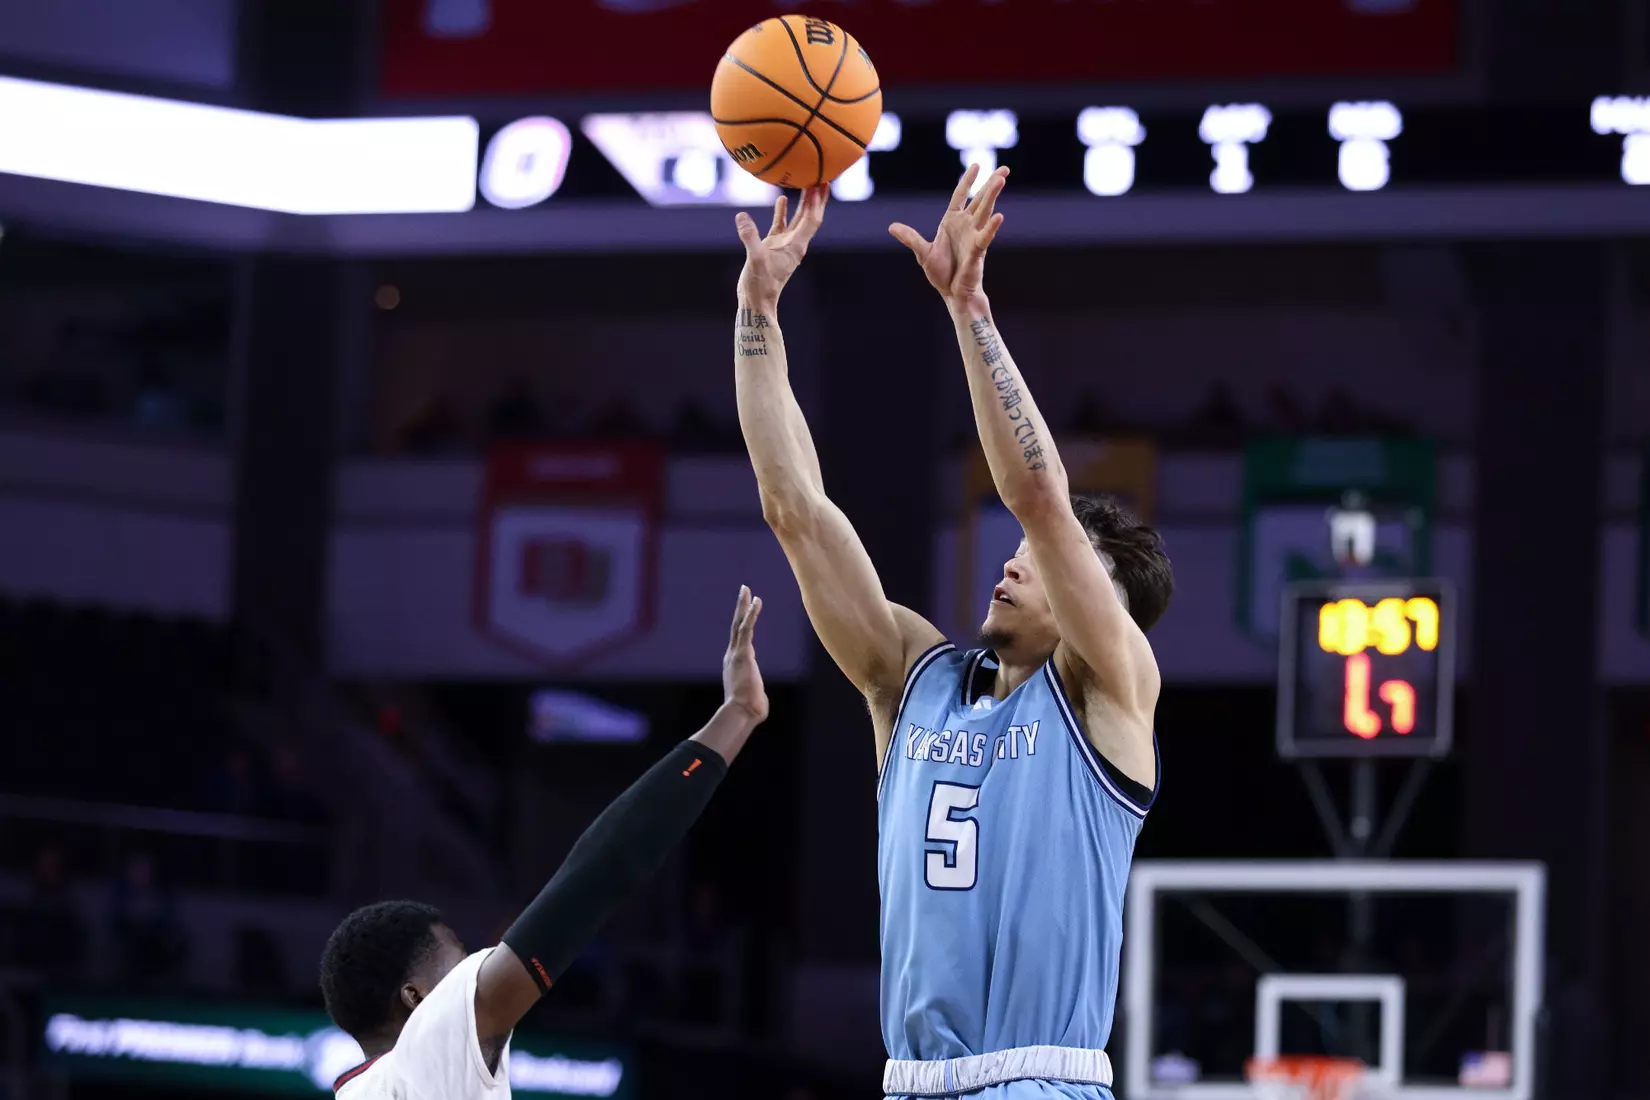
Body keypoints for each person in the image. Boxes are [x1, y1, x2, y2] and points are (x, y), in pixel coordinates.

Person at [732, 168, 1172, 1100]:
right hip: (911, 1081)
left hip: (1040, 1083)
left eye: (1043, 563)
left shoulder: (1108, 693)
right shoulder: (913, 681)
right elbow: (795, 509)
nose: (1014, 562)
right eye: (1013, 553)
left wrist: (969, 309)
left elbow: (1039, 498)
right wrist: (759, 313)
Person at [320, 588, 768, 1097]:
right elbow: (598, 872)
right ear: (415, 998)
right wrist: (735, 717)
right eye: (463, 961)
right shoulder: (429, 1048)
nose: (486, 965)